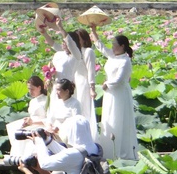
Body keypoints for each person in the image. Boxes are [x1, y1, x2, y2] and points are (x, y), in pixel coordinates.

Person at [90, 26, 139, 160]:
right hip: (110, 94)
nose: (112, 47)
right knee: (109, 118)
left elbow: (119, 79)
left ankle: (121, 153)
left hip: (120, 94)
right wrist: (93, 31)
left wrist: (107, 84)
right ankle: (108, 151)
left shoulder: (125, 60)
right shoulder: (112, 56)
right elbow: (101, 47)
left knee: (118, 119)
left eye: (114, 45)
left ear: (122, 46)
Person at [37, 18, 81, 114]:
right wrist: (44, 33)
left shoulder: (76, 56)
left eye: (65, 42)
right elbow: (53, 44)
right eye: (63, 42)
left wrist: (60, 28)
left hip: (66, 89)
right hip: (55, 87)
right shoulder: (59, 54)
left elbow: (70, 43)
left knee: (66, 112)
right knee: (54, 111)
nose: (63, 44)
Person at [6, 75, 48, 158]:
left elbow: (49, 119)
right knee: (14, 127)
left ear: (39, 87)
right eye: (29, 89)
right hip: (31, 123)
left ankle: (29, 156)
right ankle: (18, 156)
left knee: (26, 132)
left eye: (32, 89)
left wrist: (33, 122)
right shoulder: (32, 101)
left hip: (42, 125)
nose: (30, 91)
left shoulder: (46, 100)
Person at [74, 29, 98, 137]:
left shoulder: (88, 51)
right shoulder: (74, 52)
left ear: (84, 39)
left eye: (78, 38)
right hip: (74, 83)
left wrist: (92, 88)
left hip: (84, 83)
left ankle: (87, 136)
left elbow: (91, 71)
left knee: (84, 109)